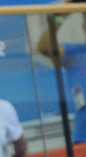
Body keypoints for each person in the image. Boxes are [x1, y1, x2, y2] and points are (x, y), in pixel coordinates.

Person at [37, 4, 86, 144]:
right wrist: (61, 16)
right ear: (83, 27)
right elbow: (44, 48)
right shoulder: (76, 53)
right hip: (83, 141)